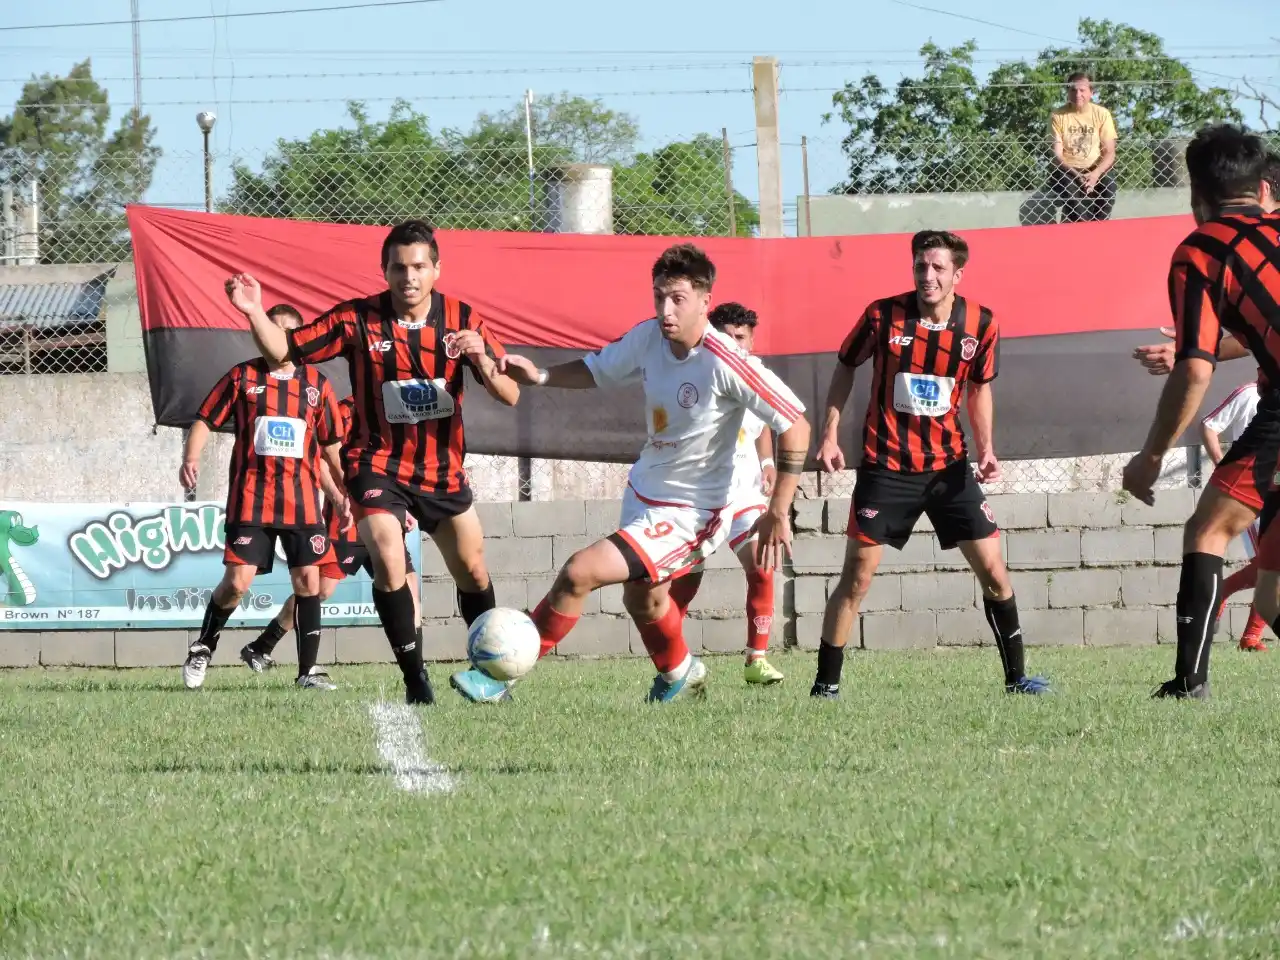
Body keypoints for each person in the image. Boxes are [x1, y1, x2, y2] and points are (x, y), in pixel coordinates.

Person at [449, 243, 811, 704]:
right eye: (659, 296)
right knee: (643, 600)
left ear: (705, 300)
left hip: (692, 513)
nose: (665, 309)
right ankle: (680, 670)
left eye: (677, 298)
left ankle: (501, 677)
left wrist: (778, 508)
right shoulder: (648, 338)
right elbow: (597, 369)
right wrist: (538, 376)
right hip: (644, 492)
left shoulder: (728, 362)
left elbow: (795, 425)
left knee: (580, 571)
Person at [224, 220, 519, 706]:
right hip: (375, 463)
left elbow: (510, 395)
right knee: (387, 556)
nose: (409, 277)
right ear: (384, 271)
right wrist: (254, 309)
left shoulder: (464, 319)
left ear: (436, 270)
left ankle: (490, 669)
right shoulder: (356, 319)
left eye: (419, 266)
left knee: (473, 570)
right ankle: (415, 678)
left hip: (441, 472)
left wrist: (483, 359)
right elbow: (286, 348)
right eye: (399, 267)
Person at [811, 230, 1051, 699]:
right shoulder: (882, 315)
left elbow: (980, 388)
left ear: (957, 274)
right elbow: (845, 364)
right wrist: (829, 433)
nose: (928, 276)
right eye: (921, 266)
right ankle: (826, 686)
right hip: (886, 467)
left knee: (995, 572)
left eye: (938, 268)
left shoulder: (981, 323)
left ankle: (1017, 679)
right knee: (856, 578)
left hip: (950, 470)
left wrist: (986, 449)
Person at [1122, 124, 1280, 700]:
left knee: (1208, 527)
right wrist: (1202, 346)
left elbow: (1195, 371)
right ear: (1263, 189)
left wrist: (1150, 456)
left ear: (1197, 198)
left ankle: (1190, 683)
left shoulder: (1202, 249)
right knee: (1271, 597)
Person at [179, 303, 344, 691]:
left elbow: (327, 447)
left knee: (309, 582)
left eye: (289, 332)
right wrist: (191, 457)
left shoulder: (318, 386)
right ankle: (204, 645)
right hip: (252, 500)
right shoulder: (243, 377)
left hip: (302, 502)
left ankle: (308, 672)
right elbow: (205, 418)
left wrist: (340, 491)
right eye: (274, 328)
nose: (279, 338)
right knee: (237, 583)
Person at [240, 398, 423, 671]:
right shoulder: (342, 413)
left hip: (386, 518)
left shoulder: (397, 411)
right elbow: (321, 461)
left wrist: (403, 506)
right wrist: (340, 499)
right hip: (347, 522)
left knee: (409, 589)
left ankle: (417, 669)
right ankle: (262, 646)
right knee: (319, 590)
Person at [663, 302, 785, 685]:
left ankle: (756, 659)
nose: (734, 344)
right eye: (726, 336)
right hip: (698, 496)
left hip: (744, 493)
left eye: (741, 338)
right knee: (684, 581)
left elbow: (765, 419)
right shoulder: (695, 374)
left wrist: (766, 463)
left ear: (750, 340)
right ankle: (673, 662)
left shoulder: (756, 375)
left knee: (763, 566)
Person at [1200, 380, 1269, 651]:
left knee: (1271, 568)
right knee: (1269, 566)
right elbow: (1209, 425)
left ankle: (1247, 631)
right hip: (1251, 494)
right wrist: (1224, 468)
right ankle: (1250, 634)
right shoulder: (1249, 394)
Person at [1048, 72, 1119, 222]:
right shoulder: (1058, 116)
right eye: (1073, 90)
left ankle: (1099, 226)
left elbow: (1110, 152)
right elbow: (1057, 156)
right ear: (1067, 92)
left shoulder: (1102, 114)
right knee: (1072, 197)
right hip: (1069, 170)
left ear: (1091, 93)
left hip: (1096, 168)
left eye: (1082, 90)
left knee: (1110, 187)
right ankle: (1085, 230)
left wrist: (1095, 174)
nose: (1077, 94)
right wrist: (1078, 175)